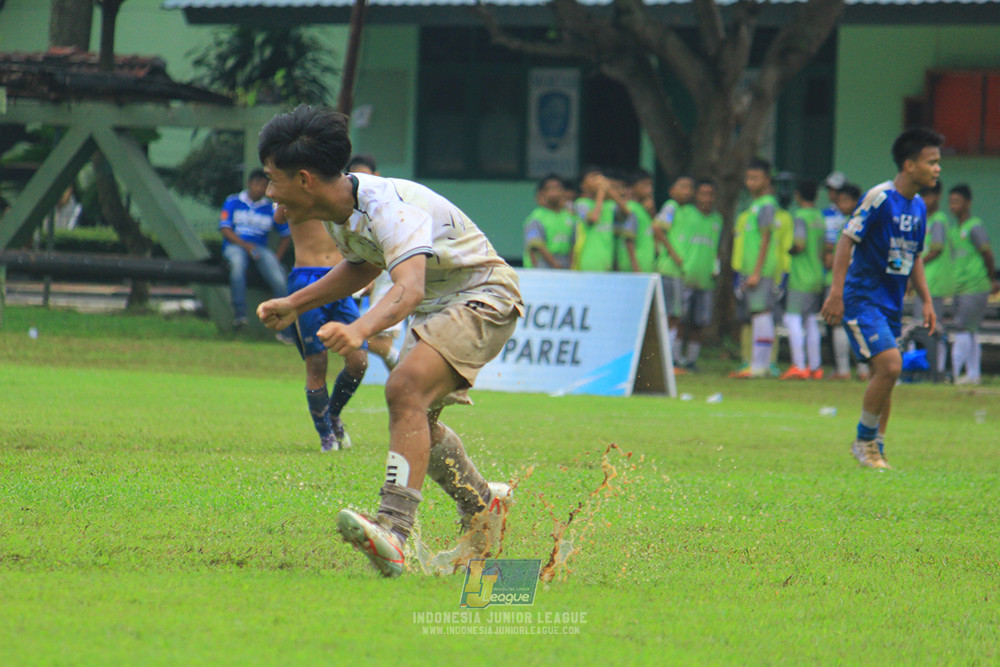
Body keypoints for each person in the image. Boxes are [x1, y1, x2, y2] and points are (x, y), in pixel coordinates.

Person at [256, 106, 523, 578]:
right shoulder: (342, 209)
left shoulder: (388, 208)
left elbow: (409, 287)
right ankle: (483, 505)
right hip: (443, 306)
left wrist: (359, 329)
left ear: (303, 179)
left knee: (403, 389)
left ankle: (394, 531)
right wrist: (296, 302)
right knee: (420, 417)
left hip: (484, 296)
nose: (270, 195)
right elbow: (364, 265)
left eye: (271, 180)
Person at [821, 127, 941, 469]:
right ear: (908, 164)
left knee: (885, 373)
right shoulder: (880, 197)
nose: (937, 169)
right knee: (891, 365)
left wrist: (927, 301)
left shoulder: (918, 206)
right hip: (862, 298)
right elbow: (847, 239)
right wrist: (836, 293)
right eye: (931, 162)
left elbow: (914, 255)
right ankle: (863, 442)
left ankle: (877, 447)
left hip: (890, 303)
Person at [346, 154, 402, 371]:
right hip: (369, 271)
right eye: (355, 177)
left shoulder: (385, 203)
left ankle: (408, 375)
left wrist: (370, 275)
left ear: (377, 176)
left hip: (389, 273)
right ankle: (406, 386)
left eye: (366, 177)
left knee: (373, 341)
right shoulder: (351, 206)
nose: (362, 183)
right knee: (373, 341)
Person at [219, 169, 291, 329]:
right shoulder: (233, 201)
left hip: (259, 248)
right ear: (250, 183)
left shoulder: (270, 207)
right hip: (235, 245)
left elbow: (286, 234)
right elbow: (225, 229)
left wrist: (276, 258)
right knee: (237, 268)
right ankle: (240, 314)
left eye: (264, 185)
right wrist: (244, 246)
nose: (260, 188)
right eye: (257, 183)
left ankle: (283, 323)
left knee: (278, 277)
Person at [731, 158, 780, 378]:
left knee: (761, 313)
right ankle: (758, 364)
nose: (751, 182)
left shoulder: (767, 204)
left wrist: (757, 271)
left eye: (756, 178)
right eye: (749, 178)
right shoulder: (754, 205)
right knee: (757, 314)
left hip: (761, 270)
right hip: (751, 269)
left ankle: (760, 365)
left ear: (766, 180)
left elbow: (766, 238)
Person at [948, 184, 1000, 385]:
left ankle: (954, 373)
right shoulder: (955, 229)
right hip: (959, 286)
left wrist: (991, 278)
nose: (953, 206)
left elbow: (987, 253)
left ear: (968, 203)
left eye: (957, 202)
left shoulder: (974, 226)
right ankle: (973, 374)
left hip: (975, 284)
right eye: (951, 202)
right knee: (971, 330)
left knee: (961, 327)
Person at [676, 179, 722, 371]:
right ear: (696, 195)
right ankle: (675, 359)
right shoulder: (685, 213)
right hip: (685, 275)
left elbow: (717, 247)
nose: (707, 198)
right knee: (679, 319)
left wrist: (716, 266)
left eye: (711, 194)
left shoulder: (717, 219)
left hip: (706, 279)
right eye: (703, 194)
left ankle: (692, 360)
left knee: (699, 323)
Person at [781, 180, 826, 379]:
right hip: (817, 275)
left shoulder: (800, 217)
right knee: (810, 321)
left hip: (801, 277)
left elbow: (799, 244)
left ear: (798, 195)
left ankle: (799, 365)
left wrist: (785, 249)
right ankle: (815, 367)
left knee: (792, 318)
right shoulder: (819, 218)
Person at [911, 181, 952, 380]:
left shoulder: (938, 219)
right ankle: (925, 368)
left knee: (932, 328)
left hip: (933, 281)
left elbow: (936, 249)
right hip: (926, 280)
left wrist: (915, 261)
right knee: (923, 328)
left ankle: (936, 371)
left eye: (928, 196)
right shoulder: (925, 218)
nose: (925, 200)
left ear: (937, 196)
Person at [653, 175, 694, 359]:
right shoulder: (671, 206)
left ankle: (671, 355)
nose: (687, 191)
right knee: (672, 314)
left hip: (678, 271)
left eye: (689, 187)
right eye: (682, 186)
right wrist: (672, 253)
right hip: (669, 268)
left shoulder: (686, 211)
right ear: (672, 190)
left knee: (675, 313)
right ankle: (667, 357)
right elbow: (657, 228)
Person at [822, 179, 854, 379]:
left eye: (844, 201)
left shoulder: (849, 225)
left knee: (840, 324)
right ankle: (862, 369)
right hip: (856, 280)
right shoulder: (856, 222)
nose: (840, 205)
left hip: (847, 280)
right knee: (855, 324)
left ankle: (843, 370)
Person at [573, 166, 622, 272]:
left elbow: (627, 214)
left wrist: (611, 191)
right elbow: (594, 218)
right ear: (583, 185)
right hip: (588, 261)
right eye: (592, 178)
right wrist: (601, 193)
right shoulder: (581, 203)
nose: (598, 181)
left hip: (606, 261)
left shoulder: (608, 205)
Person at [523, 173, 575, 269]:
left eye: (558, 188)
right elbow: (537, 246)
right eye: (550, 188)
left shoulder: (569, 216)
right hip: (543, 267)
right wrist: (555, 265)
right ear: (542, 193)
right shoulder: (536, 217)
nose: (555, 192)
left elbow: (573, 244)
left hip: (565, 265)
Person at [617, 169, 656, 273]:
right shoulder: (631, 208)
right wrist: (635, 267)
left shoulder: (642, 209)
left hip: (644, 268)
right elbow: (629, 239)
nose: (649, 189)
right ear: (631, 188)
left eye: (650, 185)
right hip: (634, 270)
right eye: (644, 185)